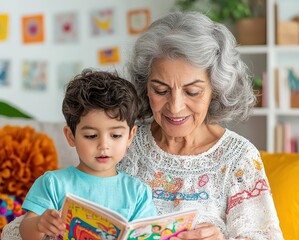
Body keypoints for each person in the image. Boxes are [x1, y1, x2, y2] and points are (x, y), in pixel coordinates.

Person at [118, 11, 284, 240]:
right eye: (160, 90)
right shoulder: (124, 144)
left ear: (215, 90)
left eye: (192, 92)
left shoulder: (238, 159)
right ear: (145, 88)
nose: (175, 107)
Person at [14, 69, 156, 240]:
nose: (104, 145)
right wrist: (39, 224)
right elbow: (26, 232)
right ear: (70, 136)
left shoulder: (138, 192)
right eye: (91, 136)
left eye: (116, 135)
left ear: (130, 136)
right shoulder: (53, 183)